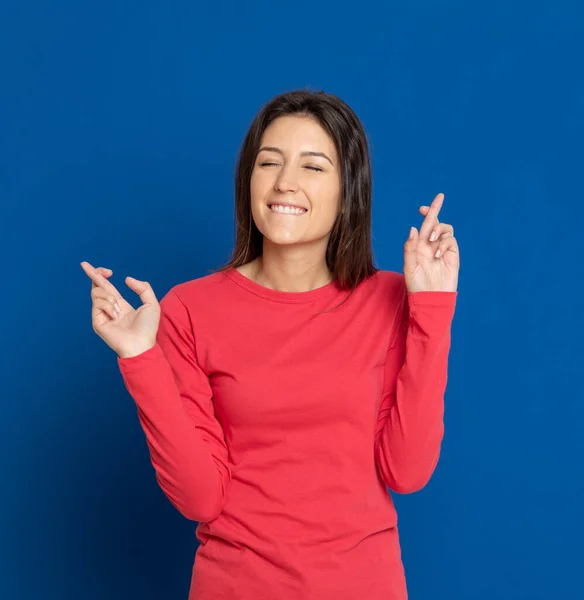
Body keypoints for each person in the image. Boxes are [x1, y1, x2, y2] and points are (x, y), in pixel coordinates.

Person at [80, 89, 459, 599]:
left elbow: (406, 470)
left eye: (313, 167)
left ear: (350, 189)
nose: (285, 182)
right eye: (269, 162)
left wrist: (432, 308)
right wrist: (140, 358)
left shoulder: (391, 299)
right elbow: (200, 497)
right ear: (248, 180)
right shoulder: (189, 309)